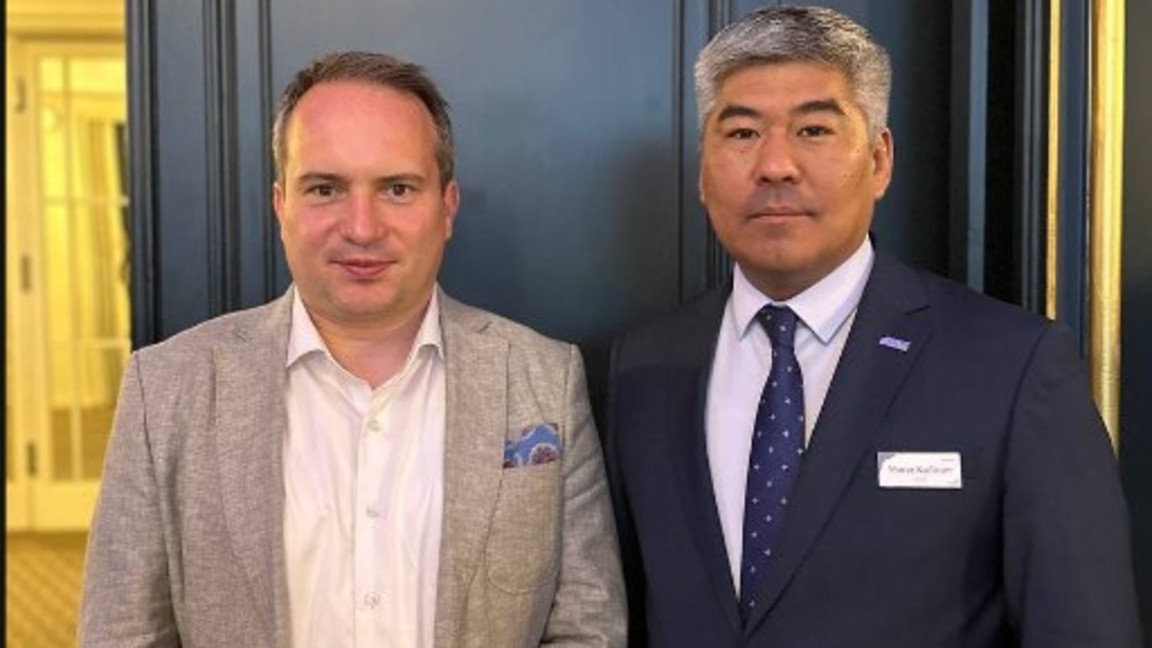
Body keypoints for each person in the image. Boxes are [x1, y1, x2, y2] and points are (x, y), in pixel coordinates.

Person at [605, 6, 1142, 647]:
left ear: (880, 160)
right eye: (742, 133)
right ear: (703, 169)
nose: (775, 165)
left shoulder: (1011, 366)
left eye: (814, 130)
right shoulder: (644, 365)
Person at [79, 51, 625, 647]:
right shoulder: (166, 389)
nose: (362, 227)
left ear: (447, 208)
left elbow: (588, 626)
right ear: (281, 206)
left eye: (397, 188)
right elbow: (121, 634)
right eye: (325, 188)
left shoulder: (545, 379)